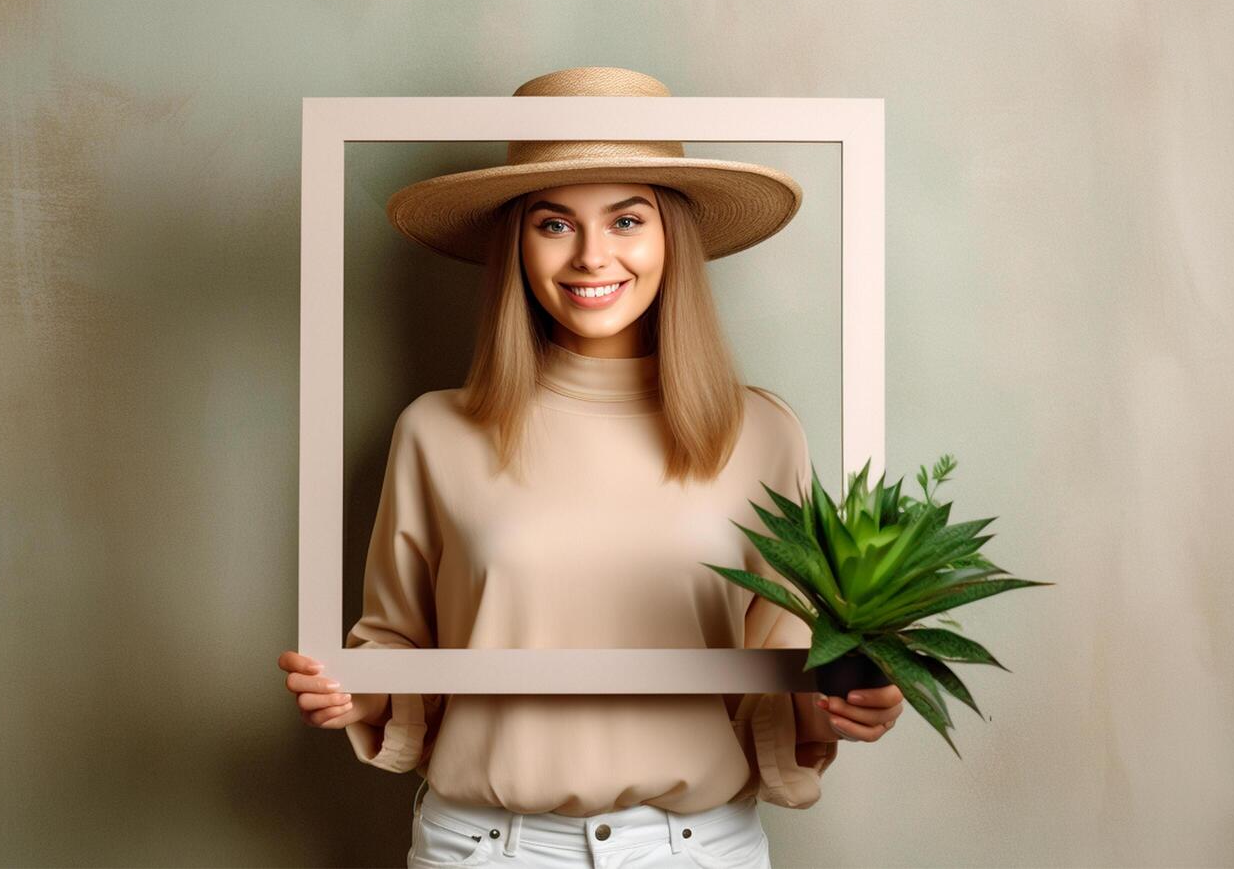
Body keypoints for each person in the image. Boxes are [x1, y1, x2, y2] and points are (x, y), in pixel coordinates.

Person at [278, 67, 903, 868]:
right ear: (518, 244)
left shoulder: (761, 433)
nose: (592, 256)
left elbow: (779, 670)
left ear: (670, 233)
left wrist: (848, 701)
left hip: (695, 849)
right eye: (554, 224)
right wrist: (346, 692)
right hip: (485, 848)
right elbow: (397, 648)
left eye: (626, 218)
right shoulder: (436, 432)